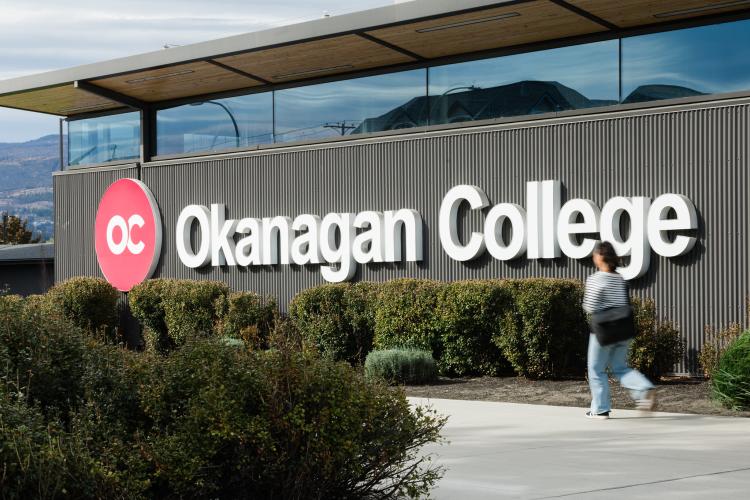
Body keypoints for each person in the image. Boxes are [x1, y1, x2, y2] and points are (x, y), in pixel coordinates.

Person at [583, 241, 655, 419]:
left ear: (600, 257)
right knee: (620, 367)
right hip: (623, 329)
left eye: (595, 254)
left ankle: (600, 409)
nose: (593, 257)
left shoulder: (596, 279)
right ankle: (643, 389)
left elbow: (589, 306)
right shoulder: (619, 278)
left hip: (603, 332)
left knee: (596, 369)